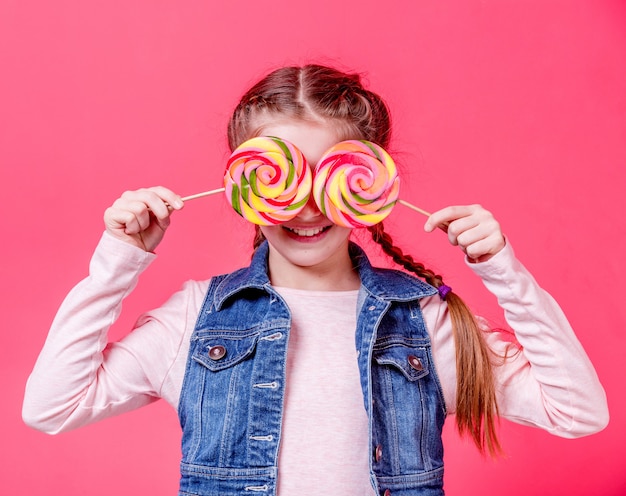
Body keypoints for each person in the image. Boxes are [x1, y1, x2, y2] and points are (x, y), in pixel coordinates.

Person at [23, 64, 608, 496]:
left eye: (328, 176)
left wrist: (502, 270)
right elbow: (53, 407)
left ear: (371, 182)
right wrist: (118, 263)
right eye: (283, 178)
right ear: (244, 185)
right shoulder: (198, 319)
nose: (305, 208)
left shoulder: (425, 323)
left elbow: (578, 413)